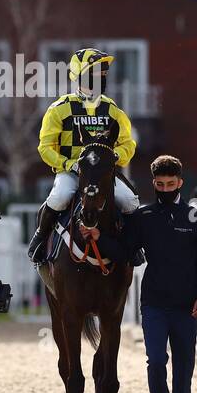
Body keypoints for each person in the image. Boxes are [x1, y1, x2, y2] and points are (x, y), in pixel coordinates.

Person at [112, 154, 197, 393]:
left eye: (171, 184)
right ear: (154, 184)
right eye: (160, 184)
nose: (165, 189)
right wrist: (97, 238)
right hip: (155, 304)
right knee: (156, 362)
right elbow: (123, 251)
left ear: (180, 183)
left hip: (187, 307)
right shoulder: (143, 217)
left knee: (183, 372)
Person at [27, 47, 141, 263]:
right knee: (59, 197)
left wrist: (114, 156)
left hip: (104, 175)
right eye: (96, 72)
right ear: (80, 75)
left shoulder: (113, 110)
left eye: (104, 74)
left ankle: (133, 247)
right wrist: (68, 164)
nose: (101, 77)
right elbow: (45, 147)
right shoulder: (59, 108)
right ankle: (40, 238)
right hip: (72, 173)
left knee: (130, 201)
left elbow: (128, 144)